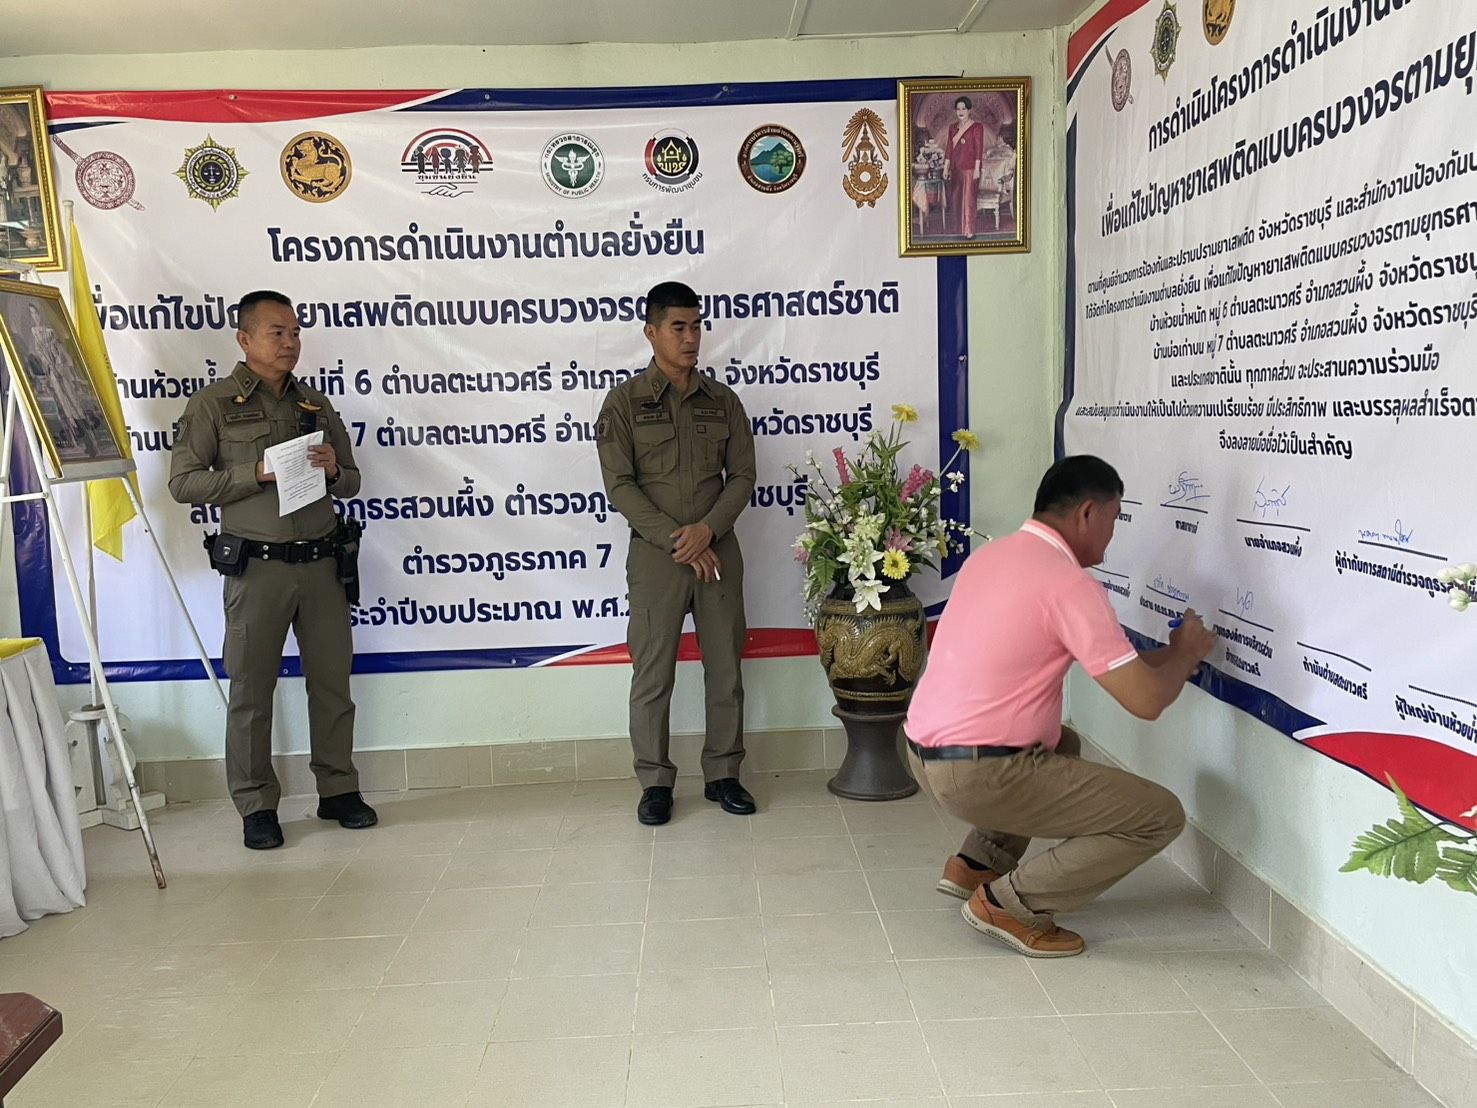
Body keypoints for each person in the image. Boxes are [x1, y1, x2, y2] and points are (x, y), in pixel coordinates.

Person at [904, 456, 1216, 957]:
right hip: (977, 774)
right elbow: (1146, 701)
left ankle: (977, 864)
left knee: (1062, 742)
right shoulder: (1069, 585)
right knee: (1159, 816)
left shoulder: (993, 556)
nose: (1113, 535)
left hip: (924, 755)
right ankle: (1010, 904)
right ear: (1088, 513)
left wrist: (1178, 656)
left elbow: (1126, 670)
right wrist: (1184, 654)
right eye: (1115, 518)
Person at [169, 290, 375, 850]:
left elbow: (352, 481)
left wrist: (334, 472)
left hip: (322, 565)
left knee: (332, 685)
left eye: (296, 332)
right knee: (251, 691)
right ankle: (257, 804)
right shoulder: (213, 404)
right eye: (277, 332)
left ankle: (338, 789)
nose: (290, 343)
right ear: (244, 339)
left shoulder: (314, 404)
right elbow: (183, 483)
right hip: (257, 570)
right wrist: (253, 472)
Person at [596, 281, 758, 825]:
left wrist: (707, 531)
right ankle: (655, 782)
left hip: (717, 553)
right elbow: (620, 486)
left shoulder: (723, 401)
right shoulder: (624, 403)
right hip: (656, 558)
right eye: (678, 327)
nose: (691, 338)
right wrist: (678, 540)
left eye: (696, 326)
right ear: (651, 332)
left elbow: (743, 476)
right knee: (652, 674)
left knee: (725, 670)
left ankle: (724, 773)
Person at [943, 96, 985, 239]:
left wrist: (977, 169)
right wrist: (946, 167)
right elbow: (949, 148)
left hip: (970, 168)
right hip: (956, 168)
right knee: (956, 199)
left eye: (963, 109)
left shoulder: (977, 127)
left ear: (969, 110)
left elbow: (979, 149)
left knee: (968, 200)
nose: (960, 112)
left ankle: (969, 229)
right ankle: (960, 229)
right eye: (958, 109)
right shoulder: (952, 128)